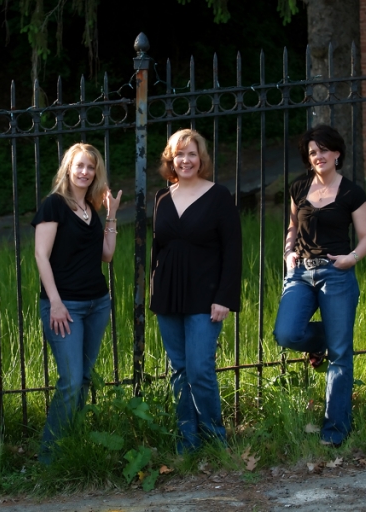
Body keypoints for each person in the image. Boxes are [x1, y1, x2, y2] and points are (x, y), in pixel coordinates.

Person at [273, 124, 366, 447]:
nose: (319, 156)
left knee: (341, 355)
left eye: (324, 150)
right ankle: (324, 341)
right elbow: (291, 227)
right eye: (313, 152)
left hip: (336, 273)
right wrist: (288, 252)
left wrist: (352, 258)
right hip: (301, 273)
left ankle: (336, 429)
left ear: (337, 153)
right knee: (287, 333)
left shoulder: (352, 193)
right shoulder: (299, 188)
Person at [149, 129, 242, 454]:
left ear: (201, 158)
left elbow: (233, 251)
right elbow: (157, 251)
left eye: (191, 154)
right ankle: (187, 441)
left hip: (206, 296)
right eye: (179, 154)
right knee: (179, 371)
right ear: (170, 160)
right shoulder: (162, 197)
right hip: (168, 296)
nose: (185, 160)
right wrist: (154, 292)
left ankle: (216, 440)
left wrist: (225, 297)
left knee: (200, 369)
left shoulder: (219, 196)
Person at [32, 143, 121, 464]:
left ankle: (70, 449)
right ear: (68, 169)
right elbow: (41, 256)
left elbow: (107, 255)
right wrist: (55, 302)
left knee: (82, 379)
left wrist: (110, 215)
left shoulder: (90, 210)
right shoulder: (53, 206)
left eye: (91, 167)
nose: (85, 172)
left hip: (97, 303)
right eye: (80, 165)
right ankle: (48, 459)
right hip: (64, 306)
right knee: (70, 381)